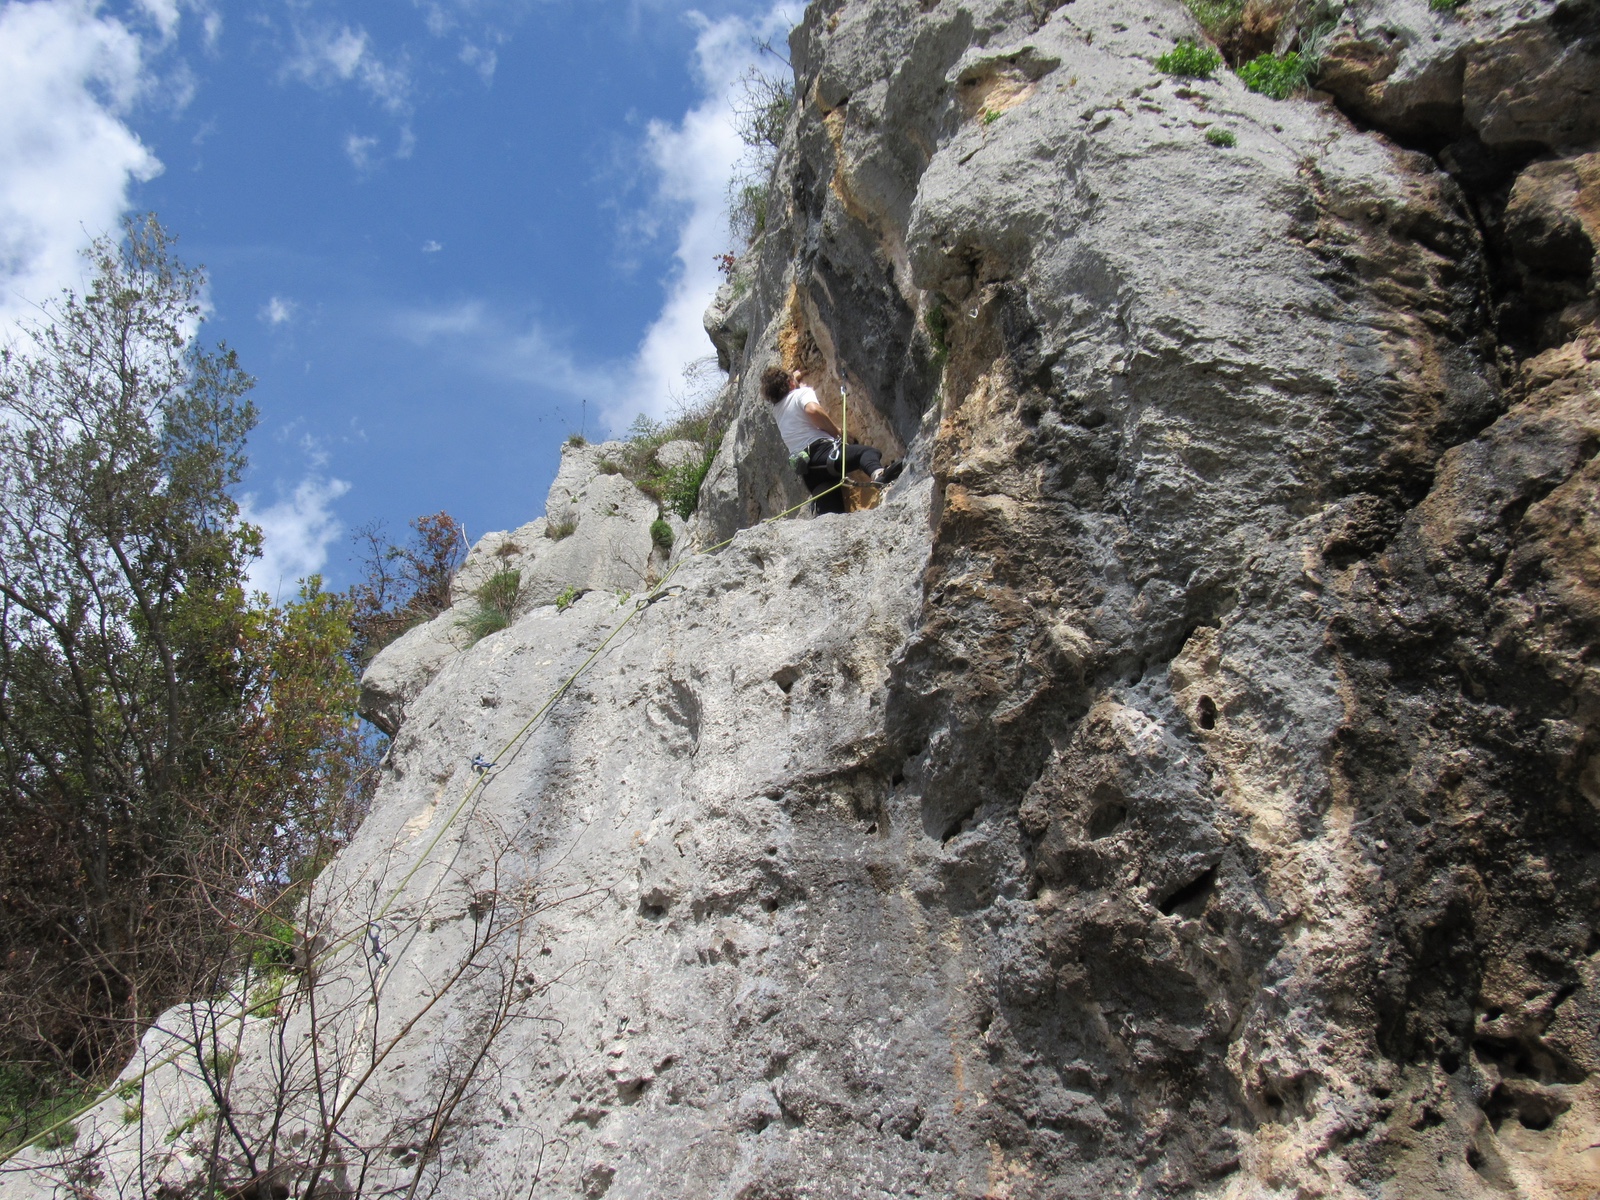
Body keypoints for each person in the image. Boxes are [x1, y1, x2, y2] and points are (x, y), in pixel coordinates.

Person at [761, 365, 903, 514]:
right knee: (866, 453)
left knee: (832, 515)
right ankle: (878, 475)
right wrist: (837, 433)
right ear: (790, 383)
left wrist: (792, 378)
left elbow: (783, 390)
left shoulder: (777, 411)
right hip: (823, 454)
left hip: (809, 473)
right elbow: (812, 410)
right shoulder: (801, 393)